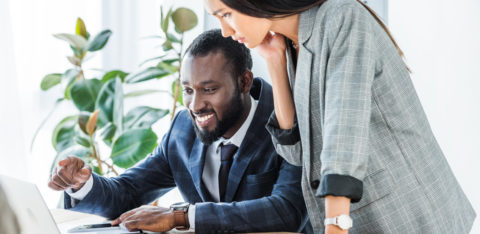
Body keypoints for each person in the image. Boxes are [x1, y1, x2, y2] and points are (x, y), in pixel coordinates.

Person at [204, 0, 476, 233]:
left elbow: (343, 133)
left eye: (226, 14)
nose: (226, 32)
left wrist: (334, 224)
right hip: (360, 217)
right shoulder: (294, 44)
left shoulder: (342, 18)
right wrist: (275, 60)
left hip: (405, 214)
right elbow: (297, 154)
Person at [48, 29, 310, 234]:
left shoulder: (287, 122)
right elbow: (129, 192)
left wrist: (180, 216)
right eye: (188, 90)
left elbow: (288, 211)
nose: (194, 106)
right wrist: (82, 184)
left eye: (209, 90)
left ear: (244, 82)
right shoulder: (183, 129)